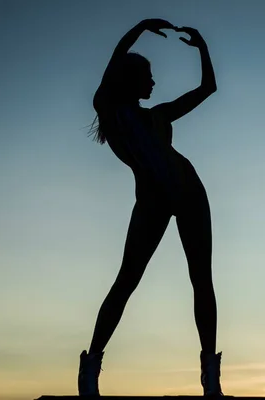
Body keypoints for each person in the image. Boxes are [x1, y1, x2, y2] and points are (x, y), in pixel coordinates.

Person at [79, 18, 221, 396]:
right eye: (149, 76)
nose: (155, 83)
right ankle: (90, 367)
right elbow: (115, 60)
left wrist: (203, 47)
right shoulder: (111, 110)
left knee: (201, 278)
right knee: (127, 279)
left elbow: (209, 87)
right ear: (131, 80)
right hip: (152, 201)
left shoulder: (158, 115)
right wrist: (140, 26)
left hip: (190, 193)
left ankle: (211, 375)